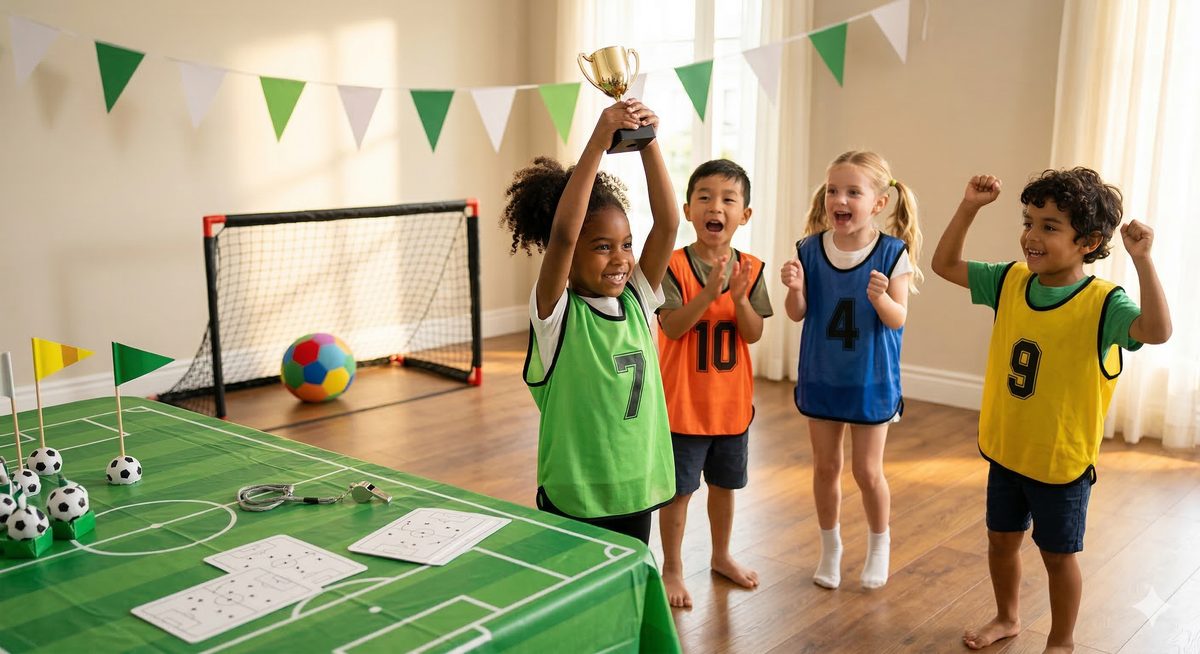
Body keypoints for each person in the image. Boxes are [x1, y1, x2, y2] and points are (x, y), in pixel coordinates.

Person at [931, 168, 1171, 653]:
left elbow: (1157, 331)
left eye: (1049, 226)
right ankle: (1007, 616)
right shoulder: (1009, 280)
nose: (1031, 236)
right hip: (1007, 449)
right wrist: (969, 207)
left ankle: (1061, 640)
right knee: (1001, 542)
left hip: (1060, 463)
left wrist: (1143, 261)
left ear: (1089, 242)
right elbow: (944, 264)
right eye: (1029, 221)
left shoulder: (1104, 303)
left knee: (1058, 556)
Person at [500, 99, 678, 545]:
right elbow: (564, 232)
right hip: (576, 492)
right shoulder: (556, 314)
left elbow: (669, 223)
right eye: (602, 246)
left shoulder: (637, 298)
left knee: (627, 585)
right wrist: (600, 139)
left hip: (636, 485)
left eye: (626, 244)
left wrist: (648, 143)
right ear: (569, 254)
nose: (620, 258)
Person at [779, 150, 922, 590]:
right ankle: (831, 547)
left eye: (853, 192)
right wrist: (795, 289)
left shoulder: (893, 252)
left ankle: (880, 544)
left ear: (878, 203)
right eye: (833, 191)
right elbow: (797, 313)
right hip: (822, 375)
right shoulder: (808, 248)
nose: (840, 199)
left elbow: (898, 318)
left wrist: (881, 300)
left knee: (867, 471)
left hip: (869, 380)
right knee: (824, 467)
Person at [655, 159, 773, 608]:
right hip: (683, 408)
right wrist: (708, 294)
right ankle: (672, 567)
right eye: (704, 197)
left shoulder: (753, 269)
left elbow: (753, 334)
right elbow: (672, 328)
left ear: (744, 215)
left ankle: (722, 554)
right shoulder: (672, 265)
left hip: (731, 409)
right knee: (679, 493)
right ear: (688, 210)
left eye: (728, 199)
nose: (715, 206)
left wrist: (739, 299)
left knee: (725, 488)